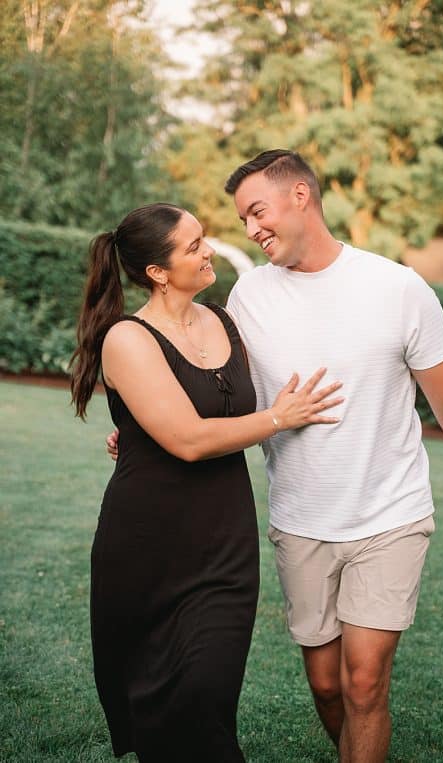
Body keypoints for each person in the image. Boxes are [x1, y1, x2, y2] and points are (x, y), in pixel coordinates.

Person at [104, 150, 443, 761]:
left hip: (389, 514)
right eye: (240, 220)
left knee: (365, 682)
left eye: (257, 211)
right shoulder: (245, 300)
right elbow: (217, 396)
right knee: (326, 686)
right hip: (300, 520)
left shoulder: (398, 288)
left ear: (301, 196)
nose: (250, 230)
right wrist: (138, 434)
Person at [70, 202, 343, 761]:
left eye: (204, 239)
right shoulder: (127, 338)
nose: (209, 249)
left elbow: (226, 407)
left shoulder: (224, 321)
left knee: (205, 692)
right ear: (157, 272)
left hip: (223, 546)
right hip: (146, 548)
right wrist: (278, 418)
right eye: (194, 246)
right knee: (166, 708)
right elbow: (190, 439)